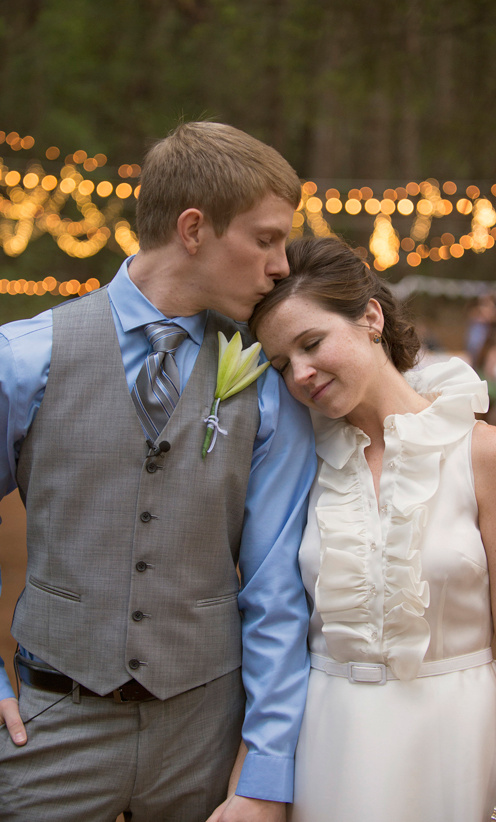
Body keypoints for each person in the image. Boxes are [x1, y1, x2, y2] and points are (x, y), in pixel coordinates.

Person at [0, 121, 316, 822]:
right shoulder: (22, 358)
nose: (281, 267)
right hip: (49, 729)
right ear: (195, 229)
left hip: (206, 737)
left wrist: (265, 770)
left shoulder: (266, 383)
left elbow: (276, 590)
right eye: (265, 239)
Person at [250, 235, 496, 822]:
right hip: (331, 753)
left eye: (312, 343)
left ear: (370, 317)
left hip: (462, 746)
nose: (302, 374)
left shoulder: (487, 454)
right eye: (284, 363)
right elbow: (270, 624)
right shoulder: (298, 465)